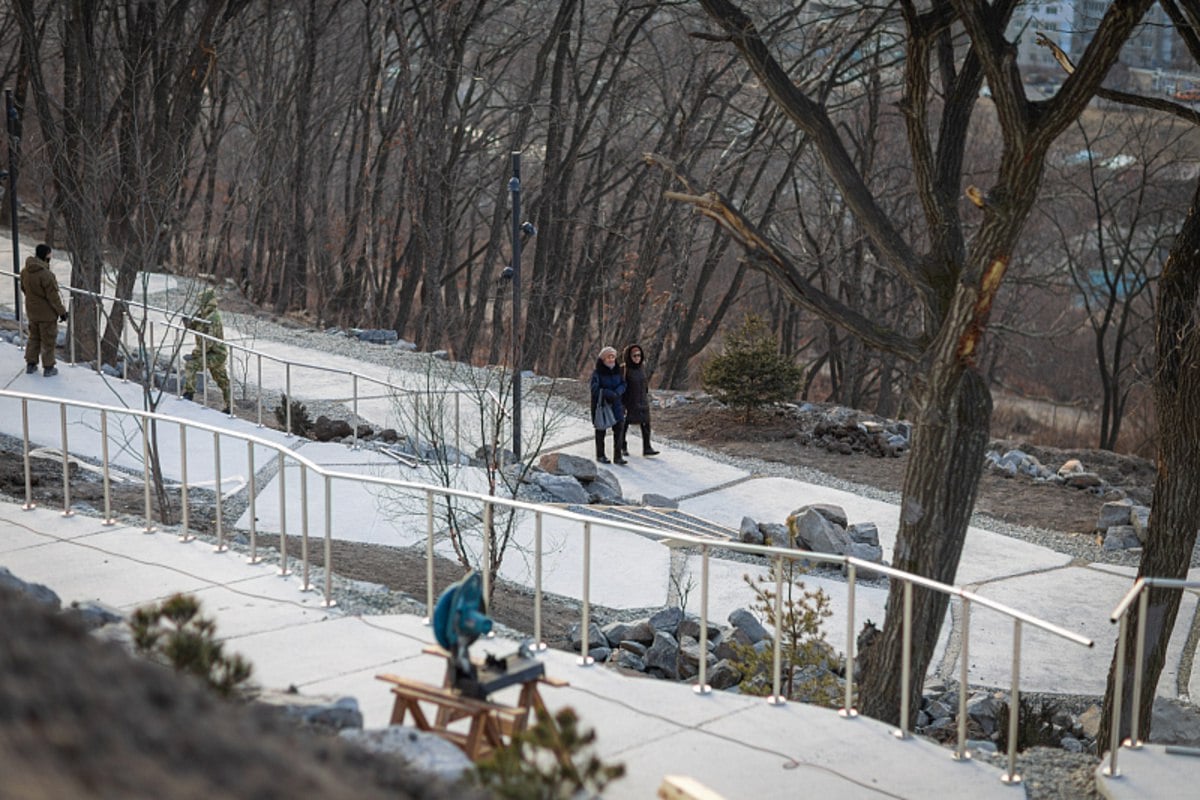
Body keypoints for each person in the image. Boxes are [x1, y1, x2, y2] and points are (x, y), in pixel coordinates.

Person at [20, 243, 69, 377]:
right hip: (47, 315)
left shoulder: (25, 271)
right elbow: (53, 297)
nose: (51, 256)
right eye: (49, 254)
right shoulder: (46, 275)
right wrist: (62, 312)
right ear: (45, 255)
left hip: (31, 311)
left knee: (33, 337)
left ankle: (31, 364)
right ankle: (48, 367)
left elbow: (23, 288)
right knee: (48, 340)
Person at [182, 288, 232, 414]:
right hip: (209, 352)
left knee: (192, 365)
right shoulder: (203, 314)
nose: (199, 303)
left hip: (216, 353)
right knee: (222, 380)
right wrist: (187, 322)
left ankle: (189, 393)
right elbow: (195, 326)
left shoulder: (213, 317)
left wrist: (194, 355)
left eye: (201, 301)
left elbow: (208, 342)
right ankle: (230, 406)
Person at [619, 343, 660, 457]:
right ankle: (622, 446)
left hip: (642, 401)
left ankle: (647, 447)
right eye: (634, 356)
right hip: (629, 402)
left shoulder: (641, 368)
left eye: (639, 355)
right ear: (629, 356)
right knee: (624, 425)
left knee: (646, 424)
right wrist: (621, 404)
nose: (637, 358)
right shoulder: (624, 369)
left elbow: (644, 384)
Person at [589, 346, 626, 465]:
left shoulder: (618, 371)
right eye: (609, 357)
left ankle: (618, 456)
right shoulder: (597, 373)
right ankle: (600, 455)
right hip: (602, 405)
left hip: (617, 404)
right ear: (603, 359)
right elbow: (594, 389)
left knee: (619, 429)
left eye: (613, 357)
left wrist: (618, 392)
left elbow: (624, 384)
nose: (611, 359)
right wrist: (607, 393)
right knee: (601, 429)